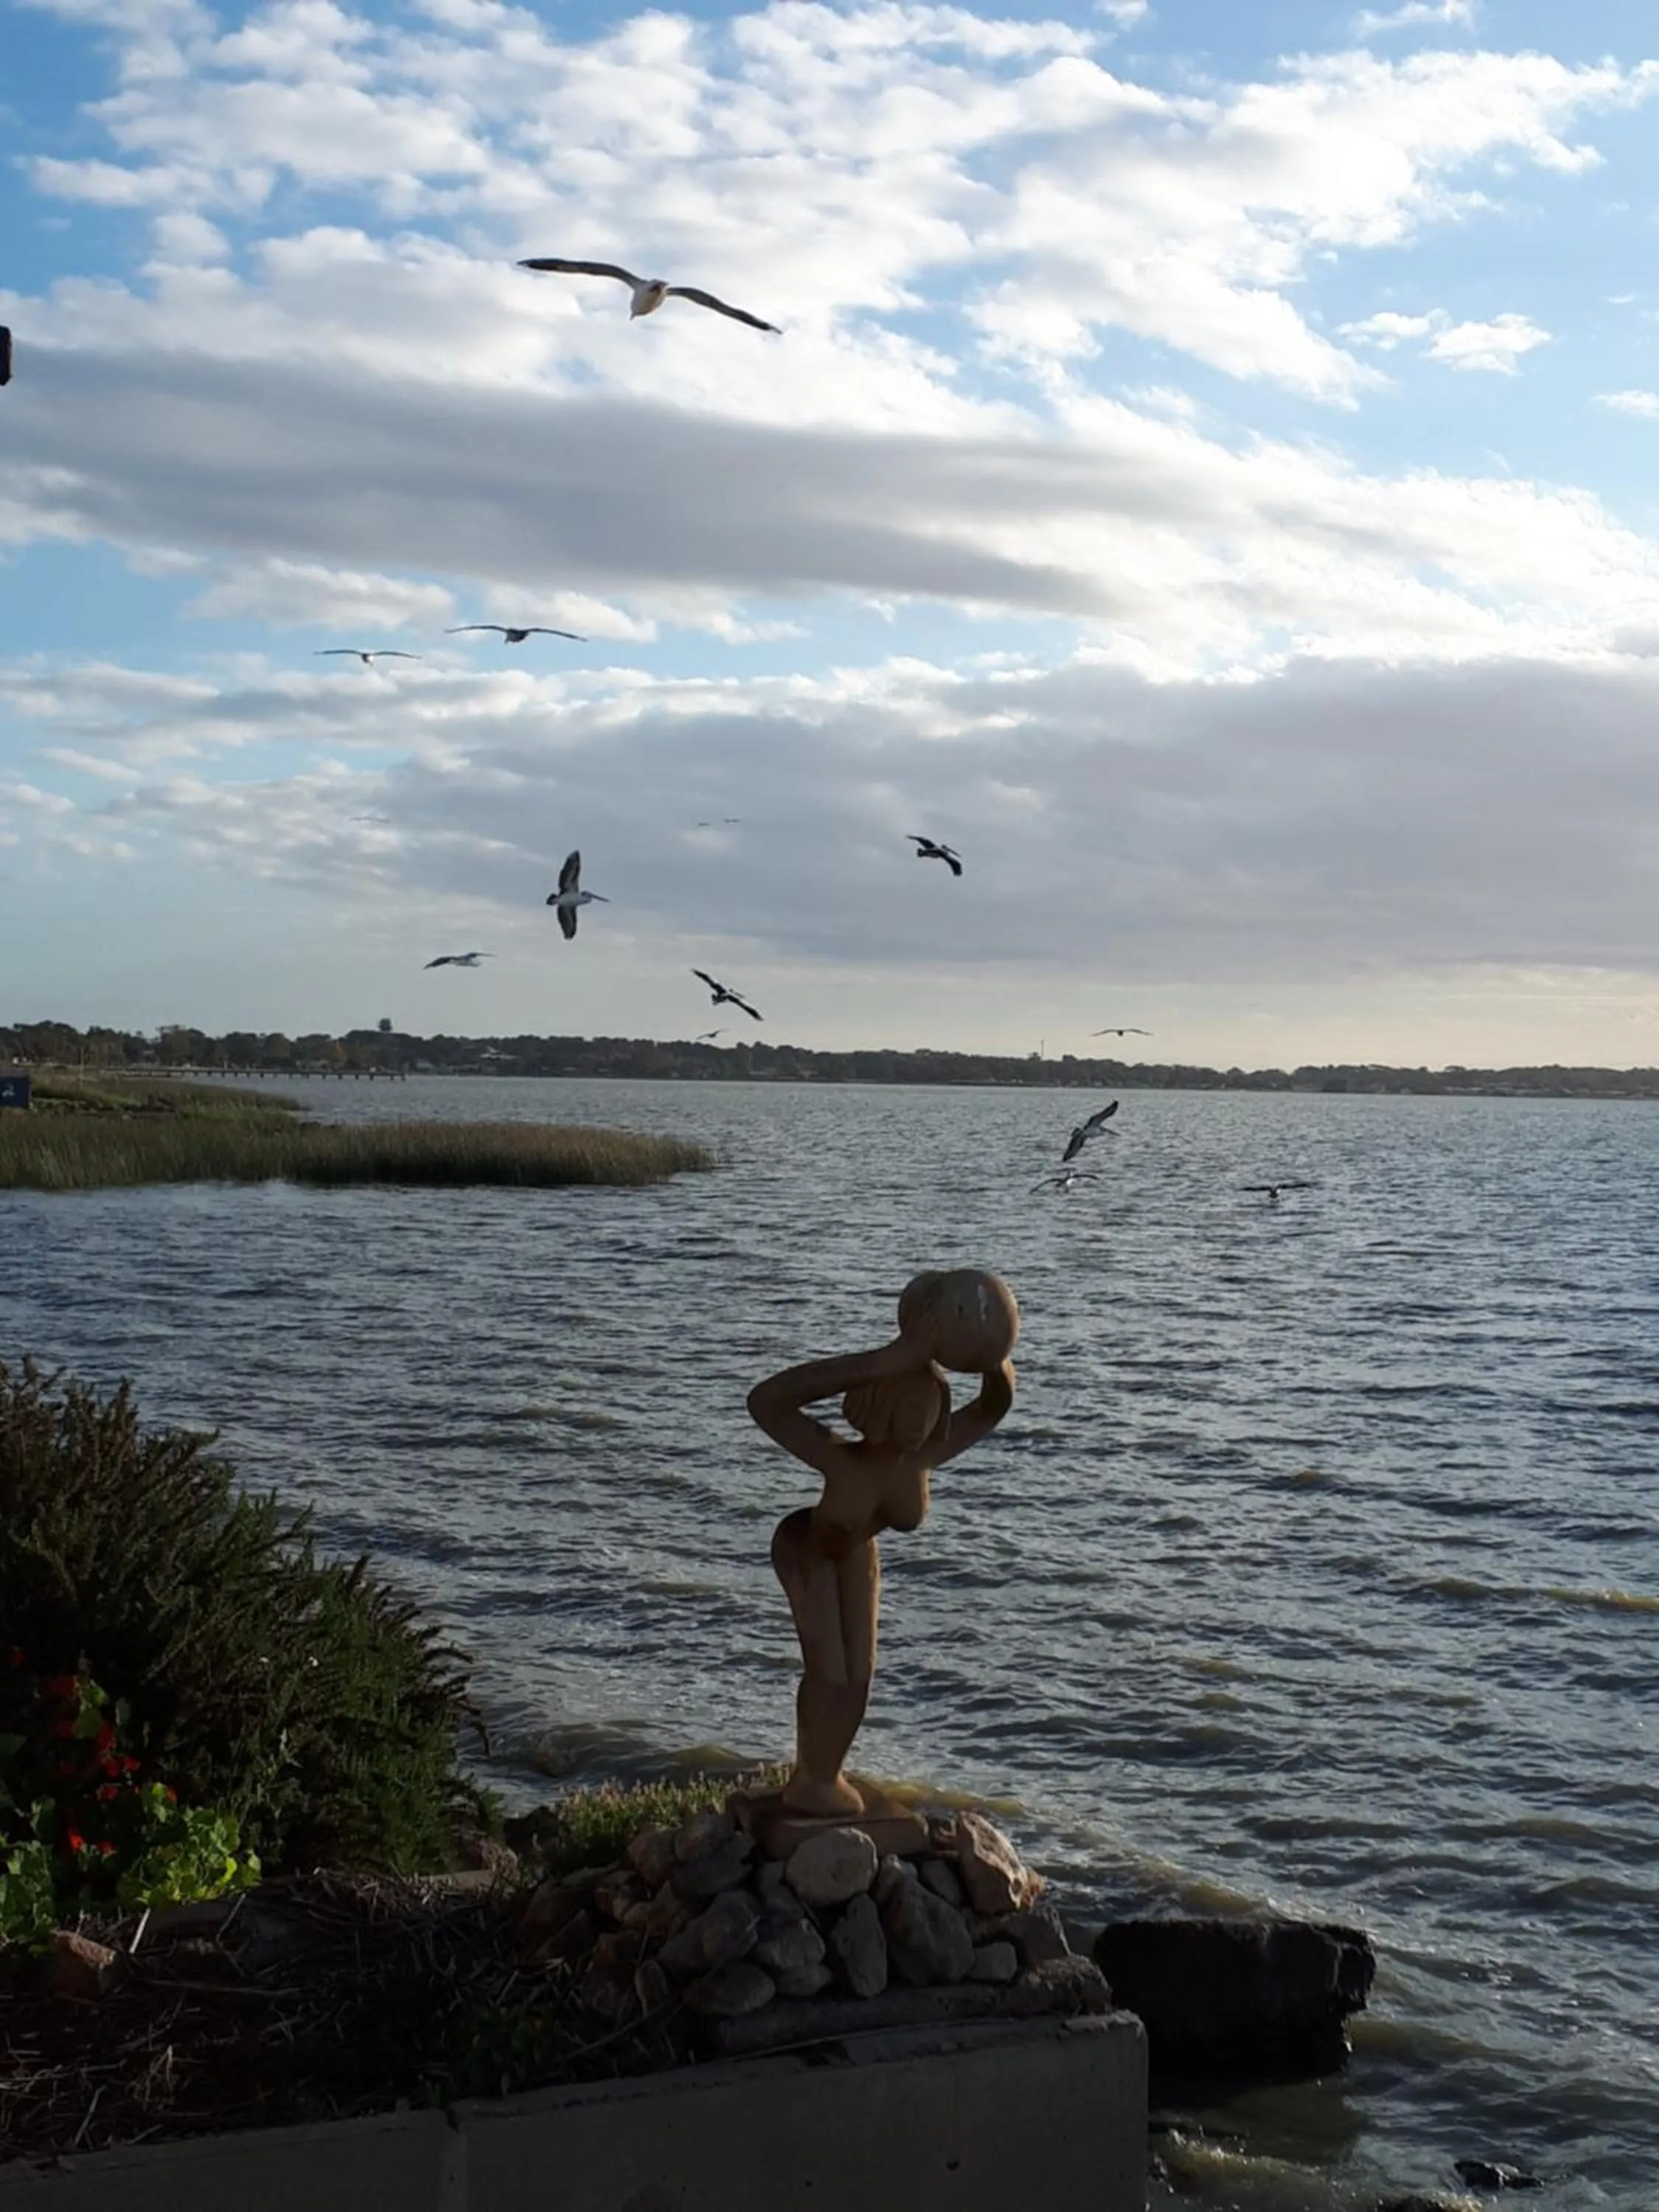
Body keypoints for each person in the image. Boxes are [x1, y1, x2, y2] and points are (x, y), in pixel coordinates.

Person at [746, 1269, 1017, 1818]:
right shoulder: (841, 1458)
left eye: (930, 1410)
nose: (920, 1423)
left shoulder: (921, 1461)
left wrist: (990, 1349)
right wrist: (886, 1359)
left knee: (860, 1681)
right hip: (807, 1548)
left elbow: (993, 1407)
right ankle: (810, 1782)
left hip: (855, 1551)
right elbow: (767, 1402)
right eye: (908, 1410)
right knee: (830, 1673)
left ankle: (825, 1775)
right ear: (881, 1408)